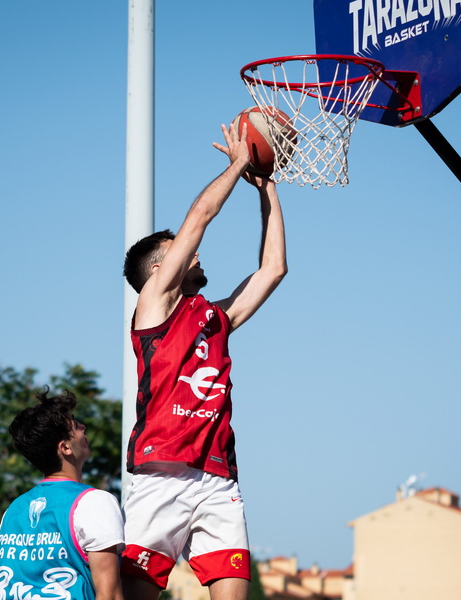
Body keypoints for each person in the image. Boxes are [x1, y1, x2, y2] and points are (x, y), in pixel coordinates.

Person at [120, 120, 287, 600]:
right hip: (161, 473)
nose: (194, 252)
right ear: (159, 269)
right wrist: (238, 162)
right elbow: (200, 216)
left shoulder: (215, 319)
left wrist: (267, 187)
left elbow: (273, 269)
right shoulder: (154, 308)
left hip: (217, 477)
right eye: (180, 251)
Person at [0, 387, 125, 600]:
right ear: (65, 447)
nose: (83, 427)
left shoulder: (13, 511)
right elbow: (110, 595)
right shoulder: (94, 502)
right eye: (75, 425)